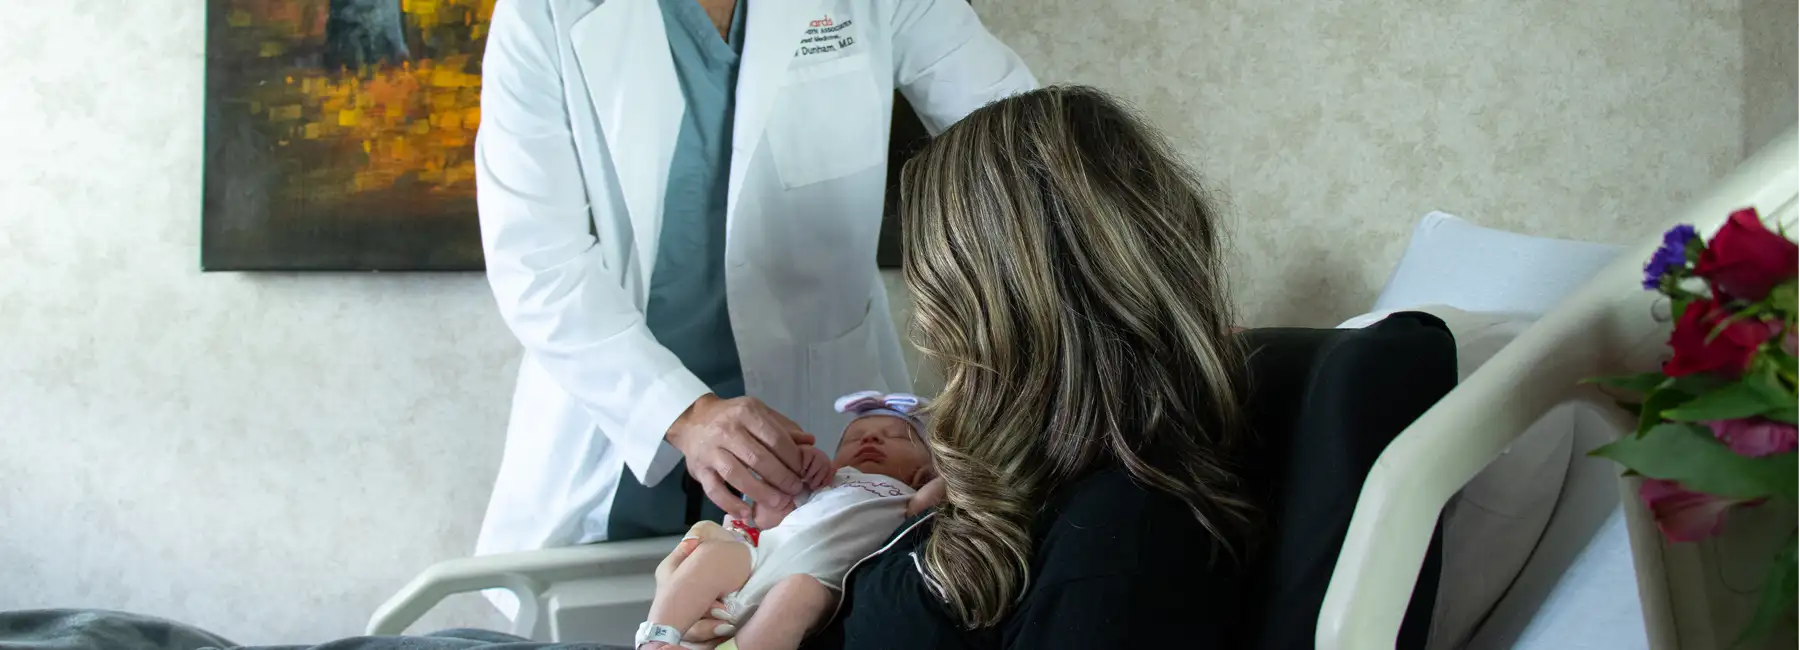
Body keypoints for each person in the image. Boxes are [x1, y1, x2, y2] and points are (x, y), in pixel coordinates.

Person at [470, 0, 1036, 617]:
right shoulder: (542, 11)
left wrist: (992, 433)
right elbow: (534, 256)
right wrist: (684, 414)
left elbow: (1028, 153)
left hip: (827, 452)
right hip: (615, 431)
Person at [806, 85, 1256, 648]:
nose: (923, 321)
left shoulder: (1114, 542)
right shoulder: (1013, 477)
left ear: (993, 306)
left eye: (934, 289)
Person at [635, 392, 944, 650]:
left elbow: (950, 489)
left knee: (798, 593)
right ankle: (657, 637)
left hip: (823, 581)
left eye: (894, 437)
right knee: (714, 553)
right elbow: (767, 517)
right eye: (853, 438)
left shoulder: (908, 498)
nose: (871, 438)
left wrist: (943, 472)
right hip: (760, 557)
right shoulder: (828, 482)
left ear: (927, 467)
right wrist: (799, 472)